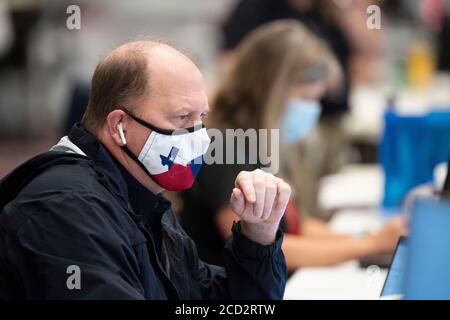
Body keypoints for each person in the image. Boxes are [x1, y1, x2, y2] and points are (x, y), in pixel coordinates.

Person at [0, 40, 292, 299]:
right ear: (119, 126)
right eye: (181, 117)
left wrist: (259, 233)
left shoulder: (142, 198)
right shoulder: (66, 208)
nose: (200, 135)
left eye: (201, 117)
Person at [180, 21, 406, 271]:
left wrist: (369, 238)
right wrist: (368, 245)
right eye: (307, 98)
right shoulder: (226, 145)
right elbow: (254, 244)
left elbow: (297, 225)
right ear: (274, 89)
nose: (313, 109)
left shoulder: (259, 140)